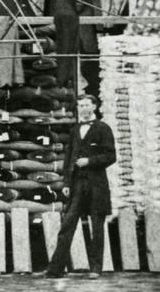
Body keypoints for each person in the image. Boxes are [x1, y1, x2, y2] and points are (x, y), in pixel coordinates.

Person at [38, 94, 116, 279]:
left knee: (96, 226)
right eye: (81, 105)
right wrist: (66, 182)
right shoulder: (75, 130)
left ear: (94, 107)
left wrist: (89, 160)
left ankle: (96, 268)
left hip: (97, 185)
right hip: (77, 185)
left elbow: (111, 156)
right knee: (67, 225)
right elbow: (68, 158)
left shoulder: (103, 128)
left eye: (87, 105)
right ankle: (55, 268)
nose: (84, 108)